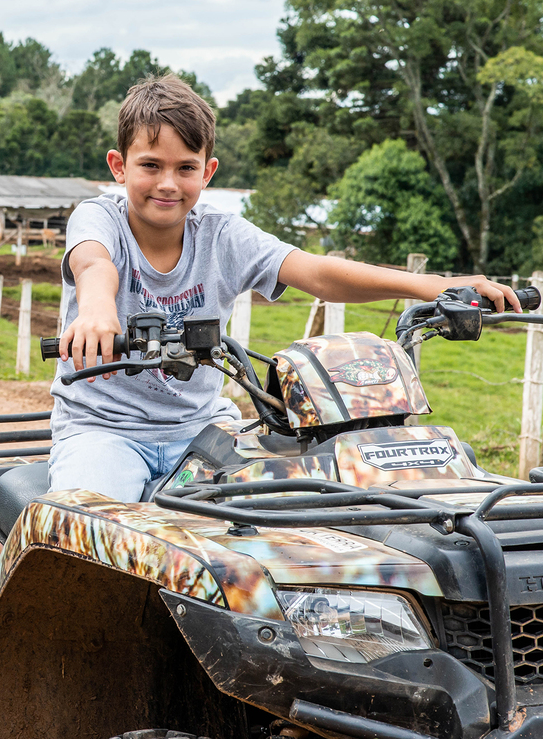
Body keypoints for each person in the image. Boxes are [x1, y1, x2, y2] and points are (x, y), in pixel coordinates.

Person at [48, 73, 518, 503]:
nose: (168, 184)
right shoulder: (99, 218)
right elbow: (94, 263)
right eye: (150, 165)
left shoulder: (222, 234)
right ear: (119, 166)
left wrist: (433, 286)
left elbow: (315, 270)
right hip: (103, 430)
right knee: (86, 529)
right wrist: (95, 310)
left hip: (203, 429)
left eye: (185, 168)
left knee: (293, 516)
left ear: (207, 172)